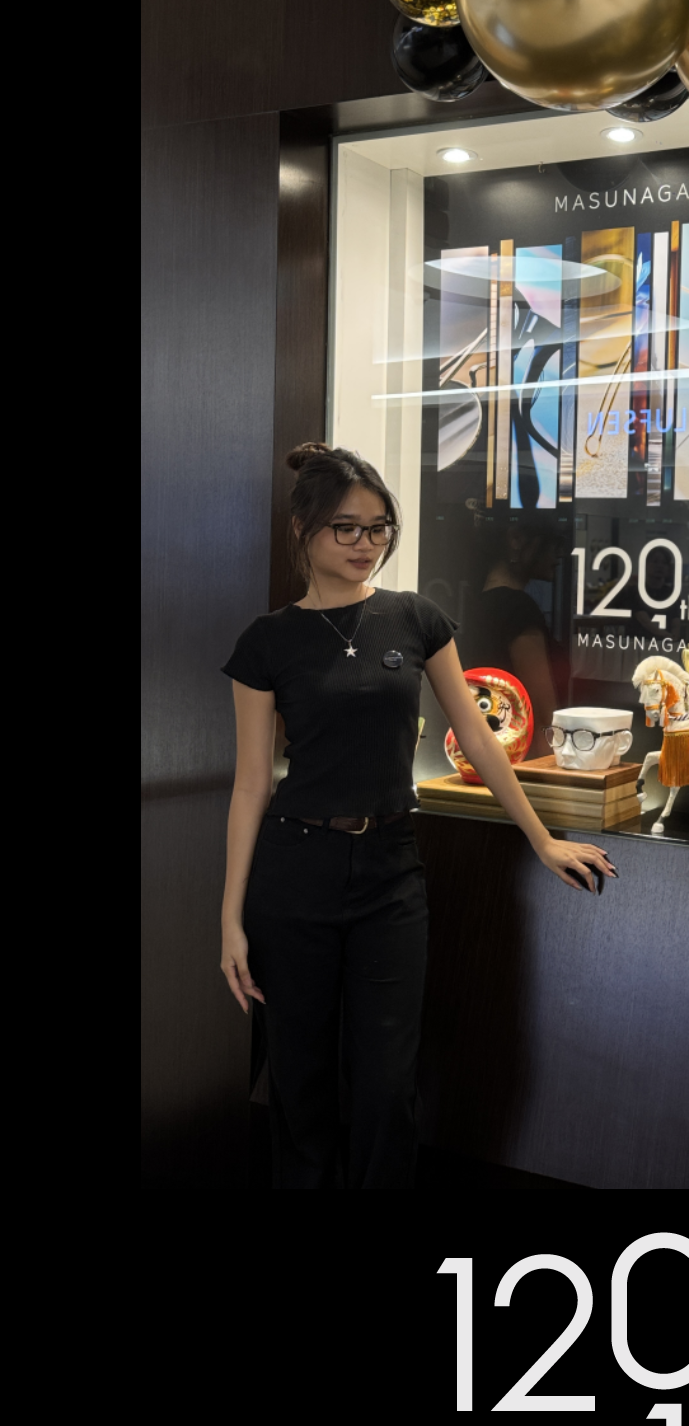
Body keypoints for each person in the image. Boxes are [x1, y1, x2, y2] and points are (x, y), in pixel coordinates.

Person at [219, 443, 615, 1190]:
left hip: (390, 874)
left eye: (379, 528)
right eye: (347, 528)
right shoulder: (266, 642)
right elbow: (250, 786)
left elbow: (479, 737)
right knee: (299, 1082)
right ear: (303, 529)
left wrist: (541, 840)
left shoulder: (414, 618)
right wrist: (230, 920)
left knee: (387, 1084)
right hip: (294, 874)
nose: (366, 543)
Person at [460, 505, 570, 744]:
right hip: (523, 753)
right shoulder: (519, 610)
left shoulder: (478, 605)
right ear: (516, 540)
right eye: (552, 542)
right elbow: (543, 719)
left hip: (490, 745)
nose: (559, 554)